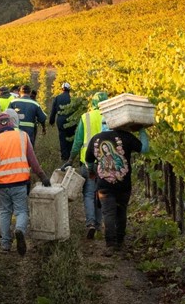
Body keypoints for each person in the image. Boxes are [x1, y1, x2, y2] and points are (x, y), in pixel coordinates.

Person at [0, 112, 50, 255]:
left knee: (4, 212)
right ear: (11, 123)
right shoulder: (23, 136)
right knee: (21, 210)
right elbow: (33, 160)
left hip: (1, 184)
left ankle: (5, 245)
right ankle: (20, 230)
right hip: (20, 181)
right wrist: (42, 176)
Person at [85, 122, 149, 255]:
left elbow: (89, 160)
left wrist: (91, 171)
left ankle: (110, 244)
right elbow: (144, 149)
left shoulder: (96, 139)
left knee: (108, 213)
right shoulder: (127, 136)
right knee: (121, 211)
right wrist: (142, 129)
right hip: (123, 184)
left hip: (104, 185)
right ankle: (120, 242)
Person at [68, 91, 108, 240]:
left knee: (89, 194)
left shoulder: (86, 117)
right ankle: (98, 224)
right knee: (101, 193)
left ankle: (90, 223)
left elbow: (78, 141)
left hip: (87, 161)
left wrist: (70, 159)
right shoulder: (110, 116)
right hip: (106, 163)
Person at [48, 82, 75, 162]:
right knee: (70, 138)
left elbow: (53, 111)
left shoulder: (57, 98)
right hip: (71, 120)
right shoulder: (72, 98)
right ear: (69, 89)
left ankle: (64, 156)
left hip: (61, 120)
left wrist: (51, 121)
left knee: (62, 138)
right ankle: (70, 156)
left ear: (62, 89)